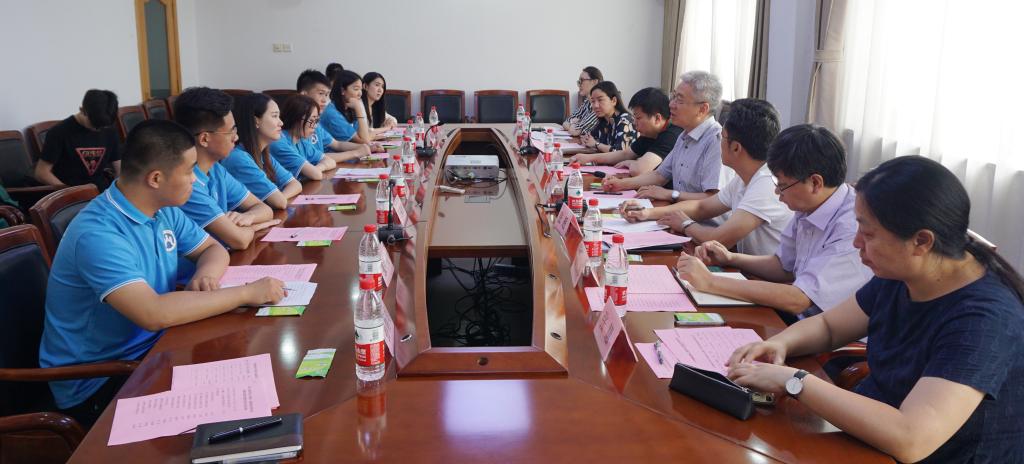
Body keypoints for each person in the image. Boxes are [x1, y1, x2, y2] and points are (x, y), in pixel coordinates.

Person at [726, 156, 1024, 463]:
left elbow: (911, 438)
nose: (857, 243)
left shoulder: (984, 320)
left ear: (921, 241)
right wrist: (779, 343)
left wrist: (796, 381)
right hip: (867, 434)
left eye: (868, 234)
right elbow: (829, 327)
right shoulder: (903, 274)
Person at [38, 120, 286, 427]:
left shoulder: (162, 208)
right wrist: (247, 292)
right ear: (156, 178)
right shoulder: (98, 233)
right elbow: (152, 313)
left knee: (260, 378)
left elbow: (213, 249)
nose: (195, 179)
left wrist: (206, 275)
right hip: (100, 379)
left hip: (156, 349)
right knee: (240, 411)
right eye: (189, 170)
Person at [677, 125, 872, 320]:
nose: (777, 193)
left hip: (826, 331)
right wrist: (730, 258)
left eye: (782, 185)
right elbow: (783, 266)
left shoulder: (852, 227)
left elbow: (800, 299)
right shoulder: (810, 205)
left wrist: (710, 282)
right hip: (803, 320)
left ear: (815, 183)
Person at [619, 98, 792, 256]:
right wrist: (647, 213)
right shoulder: (743, 178)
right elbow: (702, 207)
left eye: (722, 137)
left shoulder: (766, 184)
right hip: (745, 267)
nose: (719, 142)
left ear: (736, 148)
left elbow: (719, 239)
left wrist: (686, 224)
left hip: (760, 276)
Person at [173, 87, 279, 250]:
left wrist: (249, 217)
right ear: (204, 139)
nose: (236, 137)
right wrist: (254, 227)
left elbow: (265, 209)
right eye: (231, 132)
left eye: (236, 129)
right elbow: (239, 240)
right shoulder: (188, 184)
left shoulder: (216, 169)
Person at [603, 71, 728, 202]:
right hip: (677, 211)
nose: (671, 105)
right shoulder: (684, 136)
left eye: (679, 100)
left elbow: (715, 198)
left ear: (702, 109)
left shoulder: (717, 141)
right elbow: (659, 175)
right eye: (673, 97)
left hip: (694, 215)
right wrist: (621, 184)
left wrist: (670, 194)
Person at [570, 87, 682, 176]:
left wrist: (632, 162)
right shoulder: (648, 134)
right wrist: (588, 158)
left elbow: (639, 170)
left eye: (638, 118)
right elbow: (626, 154)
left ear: (657, 118)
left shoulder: (671, 135)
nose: (634, 123)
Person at [222, 93, 301, 209]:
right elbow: (279, 202)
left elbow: (295, 184)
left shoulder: (263, 154)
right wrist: (279, 198)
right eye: (274, 116)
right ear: (256, 121)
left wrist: (281, 197)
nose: (281, 123)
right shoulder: (238, 158)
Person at [34, 89, 121, 191]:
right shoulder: (59, 132)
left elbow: (118, 167)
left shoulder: (109, 130)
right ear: (82, 110)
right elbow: (41, 173)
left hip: (101, 190)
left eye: (102, 126)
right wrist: (71, 193)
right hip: (72, 192)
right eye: (94, 125)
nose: (98, 129)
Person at [296, 69, 371, 163]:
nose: (324, 100)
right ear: (304, 95)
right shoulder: (298, 125)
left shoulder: (315, 123)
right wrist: (357, 152)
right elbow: (317, 157)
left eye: (326, 95)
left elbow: (337, 144)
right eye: (320, 93)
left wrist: (365, 147)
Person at [270, 95, 336, 181]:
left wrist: (317, 168)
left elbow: (330, 161)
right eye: (311, 121)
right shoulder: (278, 142)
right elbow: (316, 175)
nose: (315, 126)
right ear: (296, 118)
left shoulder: (302, 141)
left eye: (316, 121)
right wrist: (315, 170)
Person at [579, 81, 636, 153]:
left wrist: (596, 144)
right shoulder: (604, 120)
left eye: (600, 100)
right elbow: (591, 137)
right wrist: (586, 139)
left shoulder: (625, 120)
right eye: (593, 101)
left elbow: (619, 152)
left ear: (613, 101)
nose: (595, 105)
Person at [321, 70, 371, 144]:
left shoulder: (349, 109)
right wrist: (359, 109)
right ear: (342, 90)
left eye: (361, 89)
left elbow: (365, 135)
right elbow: (364, 141)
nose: (360, 93)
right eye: (356, 89)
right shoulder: (332, 113)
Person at [562, 66, 603, 136]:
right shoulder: (587, 101)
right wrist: (574, 123)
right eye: (579, 82)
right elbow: (565, 123)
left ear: (594, 82)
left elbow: (575, 131)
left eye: (582, 81)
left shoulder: (599, 106)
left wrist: (574, 123)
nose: (579, 85)